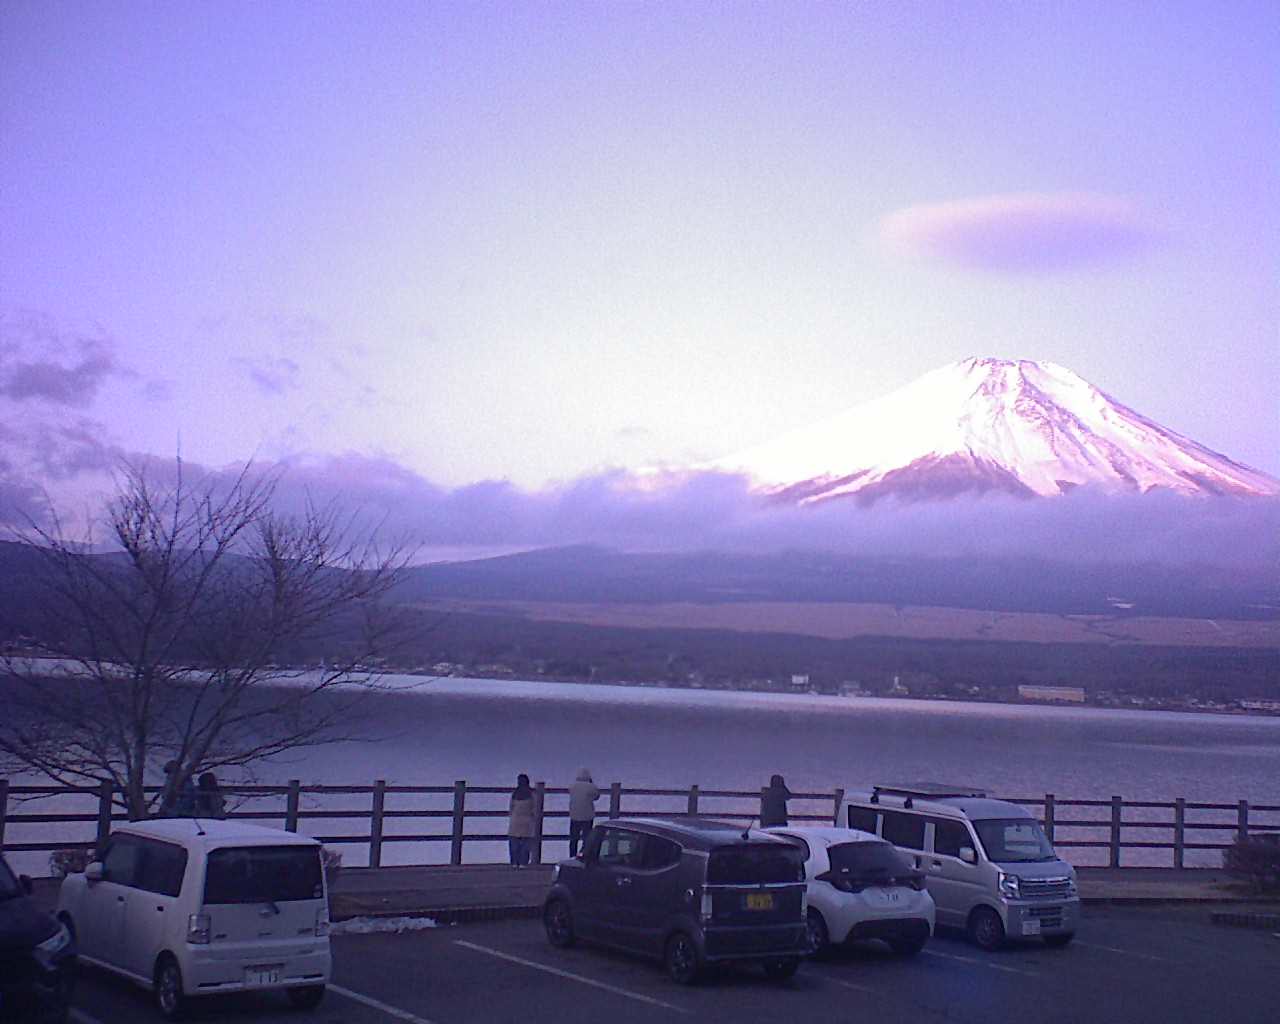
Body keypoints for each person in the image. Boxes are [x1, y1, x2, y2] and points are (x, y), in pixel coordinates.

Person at [567, 767, 600, 858]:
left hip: (574, 815)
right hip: (587, 816)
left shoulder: (572, 786)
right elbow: (597, 796)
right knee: (587, 839)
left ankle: (572, 856)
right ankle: (584, 856)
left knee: (573, 839)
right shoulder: (591, 787)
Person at [508, 774, 536, 867]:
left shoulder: (515, 794)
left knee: (514, 842)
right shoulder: (531, 794)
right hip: (527, 821)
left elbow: (511, 808)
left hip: (515, 820)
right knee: (525, 843)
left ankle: (514, 862)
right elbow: (534, 808)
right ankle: (523, 862)